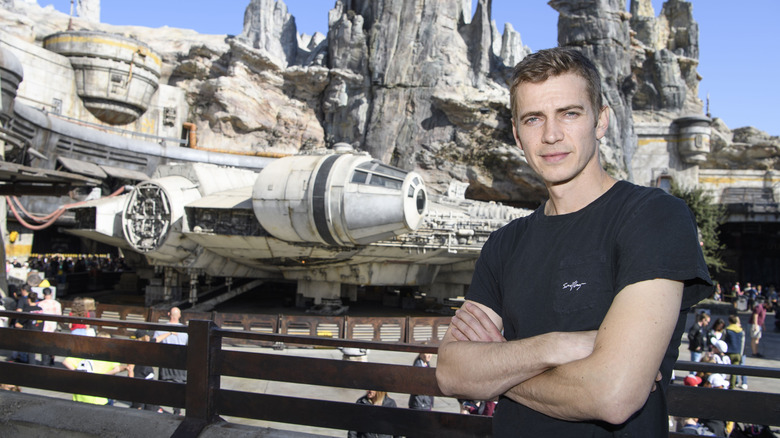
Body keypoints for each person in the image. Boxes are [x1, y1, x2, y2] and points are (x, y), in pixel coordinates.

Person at [435, 47, 712, 437]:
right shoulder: (503, 244)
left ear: (600, 121)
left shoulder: (653, 217)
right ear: (517, 134)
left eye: (570, 113)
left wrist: (496, 369)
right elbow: (450, 372)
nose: (551, 135)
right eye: (534, 119)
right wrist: (555, 347)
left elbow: (612, 395)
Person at [63, 332, 128, 405]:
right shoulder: (109, 356)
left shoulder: (87, 352)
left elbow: (66, 362)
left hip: (80, 395)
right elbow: (116, 369)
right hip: (98, 397)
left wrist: (78, 372)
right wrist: (101, 376)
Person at [153, 307, 188, 415]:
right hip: (180, 360)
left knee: (162, 383)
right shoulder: (186, 330)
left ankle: (156, 406)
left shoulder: (161, 328)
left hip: (165, 360)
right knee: (179, 386)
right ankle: (177, 410)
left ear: (169, 314)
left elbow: (155, 343)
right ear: (180, 316)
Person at [127, 329, 161, 412]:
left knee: (147, 402)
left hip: (147, 375)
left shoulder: (147, 344)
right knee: (138, 403)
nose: (149, 337)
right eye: (147, 336)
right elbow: (130, 367)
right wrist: (131, 381)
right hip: (139, 377)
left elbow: (158, 339)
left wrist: (170, 333)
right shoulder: (135, 348)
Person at [38, 287, 62, 366]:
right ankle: (51, 359)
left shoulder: (40, 304)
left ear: (43, 294)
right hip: (53, 327)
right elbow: (59, 316)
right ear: (51, 294)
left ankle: (45, 361)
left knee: (44, 344)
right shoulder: (57, 304)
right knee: (52, 344)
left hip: (44, 327)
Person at [722, 315, 744, 390]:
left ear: (729, 321)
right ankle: (732, 385)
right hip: (737, 353)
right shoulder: (741, 331)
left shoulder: (727, 330)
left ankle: (722, 383)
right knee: (734, 372)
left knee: (723, 369)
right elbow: (742, 343)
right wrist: (740, 354)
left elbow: (722, 341)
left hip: (729, 352)